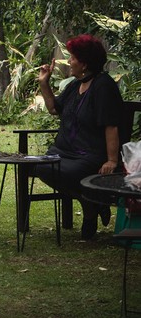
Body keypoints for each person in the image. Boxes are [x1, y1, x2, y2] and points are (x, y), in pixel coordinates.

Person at [35, 34, 123, 240]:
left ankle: (91, 207)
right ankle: (90, 202)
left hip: (88, 155)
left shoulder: (103, 86)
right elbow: (53, 109)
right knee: (40, 166)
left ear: (84, 63)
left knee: (66, 171)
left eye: (73, 57)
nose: (70, 61)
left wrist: (112, 160)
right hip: (63, 152)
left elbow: (111, 125)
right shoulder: (75, 85)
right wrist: (43, 83)